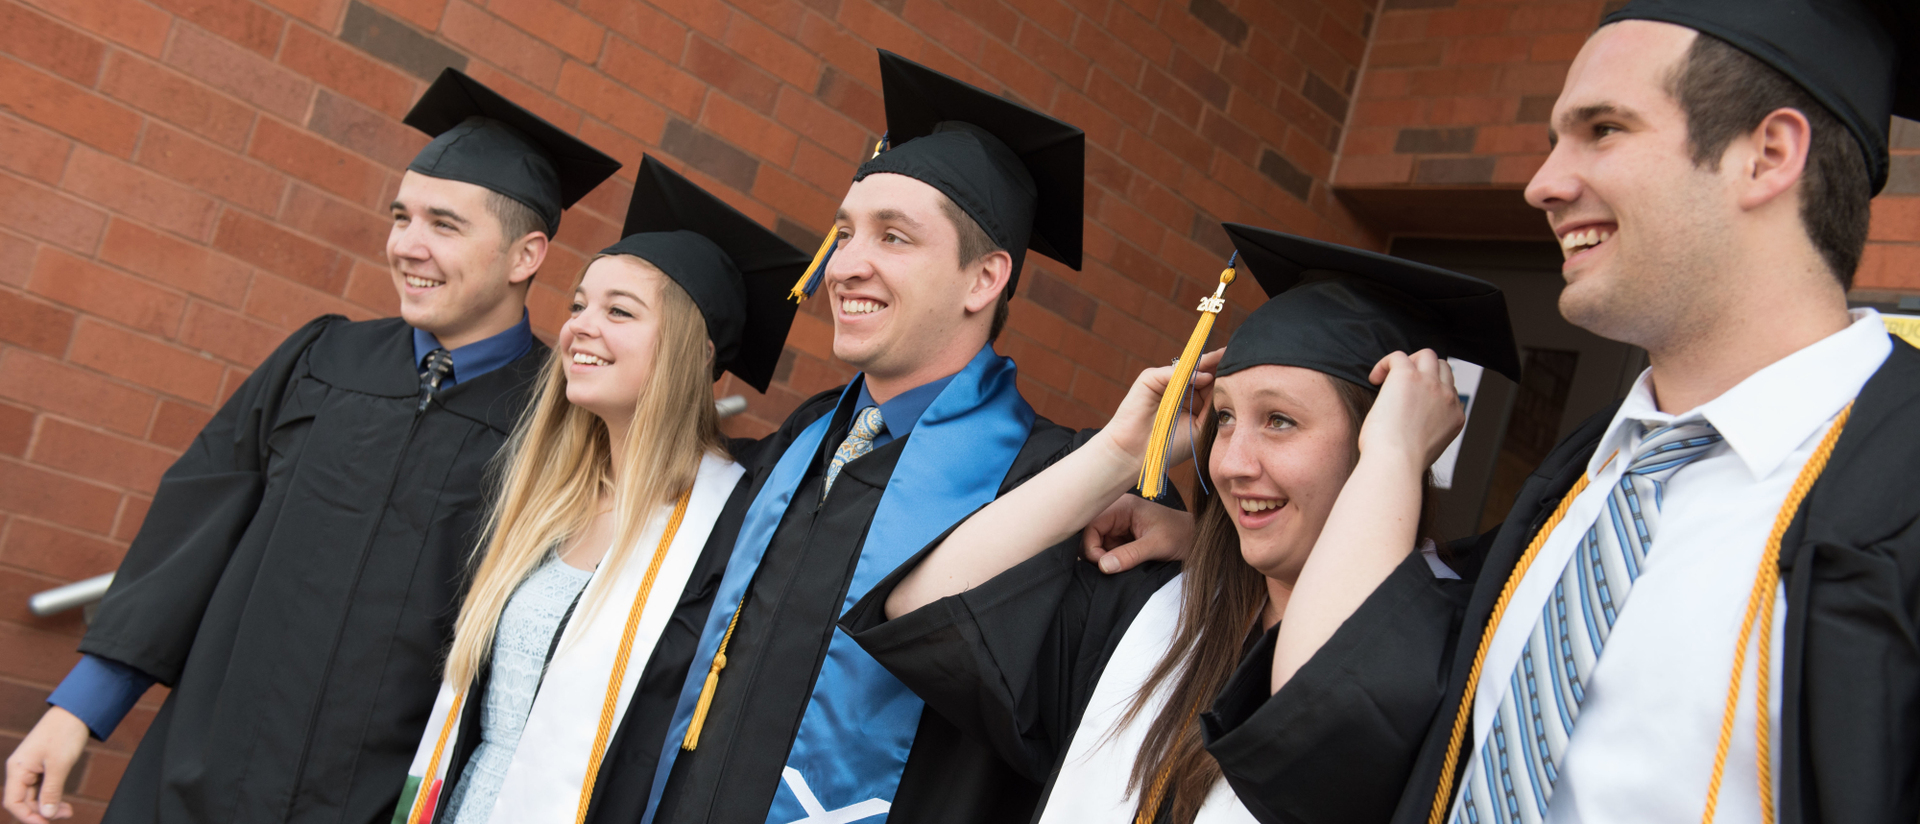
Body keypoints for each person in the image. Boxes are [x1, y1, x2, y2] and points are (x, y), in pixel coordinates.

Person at [1200, 2, 1920, 823]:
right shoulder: (1572, 489)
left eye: (1603, 129)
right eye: (1553, 139)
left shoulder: (1897, 489)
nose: (1542, 183)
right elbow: (1331, 721)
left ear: (1767, 154)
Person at [2, 69, 620, 824]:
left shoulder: (562, 420)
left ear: (526, 256)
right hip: (204, 773)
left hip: (380, 799)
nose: (407, 246)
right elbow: (191, 534)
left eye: (444, 225)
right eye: (402, 217)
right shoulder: (321, 362)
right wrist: (81, 709)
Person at [635, 50, 1183, 824]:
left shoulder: (1058, 485)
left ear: (984, 279)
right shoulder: (801, 441)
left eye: (893, 238)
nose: (846, 265)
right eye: (845, 232)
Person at [843, 224, 1524, 824]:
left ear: (1377, 439)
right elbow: (922, 605)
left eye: (1279, 420)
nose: (1230, 461)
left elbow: (1324, 704)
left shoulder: (1450, 658)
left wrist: (1399, 458)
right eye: (1224, 417)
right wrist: (1119, 453)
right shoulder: (1165, 613)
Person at [391, 155, 806, 824]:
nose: (580, 326)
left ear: (693, 353)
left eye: (620, 311)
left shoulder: (731, 528)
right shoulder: (548, 501)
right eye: (580, 304)